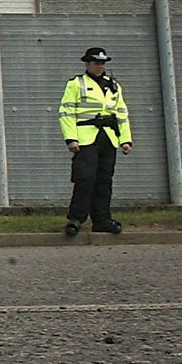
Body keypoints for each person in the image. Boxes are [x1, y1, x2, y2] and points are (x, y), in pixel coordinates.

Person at [59, 45, 131, 235]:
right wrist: (71, 139)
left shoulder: (113, 85)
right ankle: (76, 218)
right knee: (85, 178)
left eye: (102, 63)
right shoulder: (76, 84)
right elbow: (66, 112)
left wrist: (126, 139)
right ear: (87, 64)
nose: (100, 66)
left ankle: (101, 219)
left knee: (104, 180)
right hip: (85, 137)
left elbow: (121, 113)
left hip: (108, 137)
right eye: (96, 63)